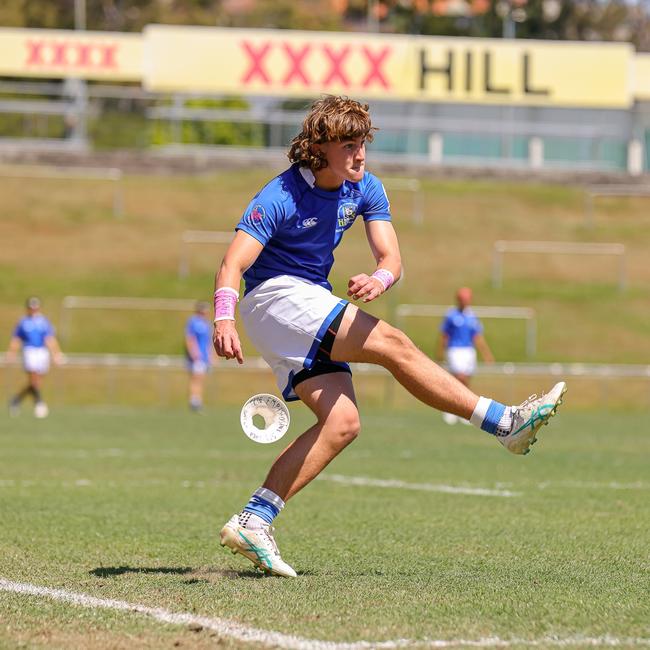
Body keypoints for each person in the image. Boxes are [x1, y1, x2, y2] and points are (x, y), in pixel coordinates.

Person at [212, 95, 567, 577]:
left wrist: (380, 279)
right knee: (394, 343)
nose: (360, 154)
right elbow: (234, 262)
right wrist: (224, 318)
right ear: (319, 147)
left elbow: (391, 259)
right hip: (273, 298)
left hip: (302, 306)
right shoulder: (280, 194)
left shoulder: (367, 188)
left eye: (363, 143)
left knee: (342, 424)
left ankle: (256, 518)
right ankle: (504, 423)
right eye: (349, 145)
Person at [437, 287, 495, 425]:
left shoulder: (472, 316)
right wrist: (440, 351)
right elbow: (444, 335)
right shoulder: (451, 315)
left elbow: (477, 337)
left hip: (469, 351)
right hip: (455, 350)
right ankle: (450, 409)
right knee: (458, 378)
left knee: (466, 381)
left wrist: (487, 354)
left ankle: (465, 411)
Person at [6, 297, 63, 418]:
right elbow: (16, 339)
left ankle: (16, 400)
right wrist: (11, 353)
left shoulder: (44, 322)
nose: (33, 310)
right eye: (31, 308)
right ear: (28, 308)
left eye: (35, 307)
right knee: (33, 379)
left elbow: (49, 339)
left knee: (37, 383)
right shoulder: (23, 322)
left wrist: (56, 353)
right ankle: (39, 403)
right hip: (29, 351)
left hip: (42, 352)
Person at [185, 300, 212, 412]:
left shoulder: (207, 323)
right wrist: (194, 352)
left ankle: (198, 400)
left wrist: (211, 355)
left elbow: (209, 341)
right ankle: (194, 401)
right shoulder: (193, 322)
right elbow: (190, 338)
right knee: (196, 378)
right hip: (197, 356)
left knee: (201, 378)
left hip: (204, 356)